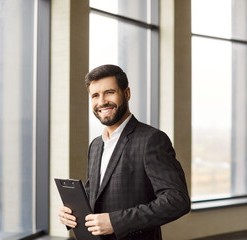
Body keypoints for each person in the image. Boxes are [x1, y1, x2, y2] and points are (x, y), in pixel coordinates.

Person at [58, 64, 190, 240]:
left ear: (126, 93)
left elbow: (177, 200)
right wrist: (71, 214)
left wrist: (116, 222)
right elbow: (94, 198)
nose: (102, 101)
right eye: (95, 95)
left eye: (109, 92)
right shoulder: (96, 145)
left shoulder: (152, 140)